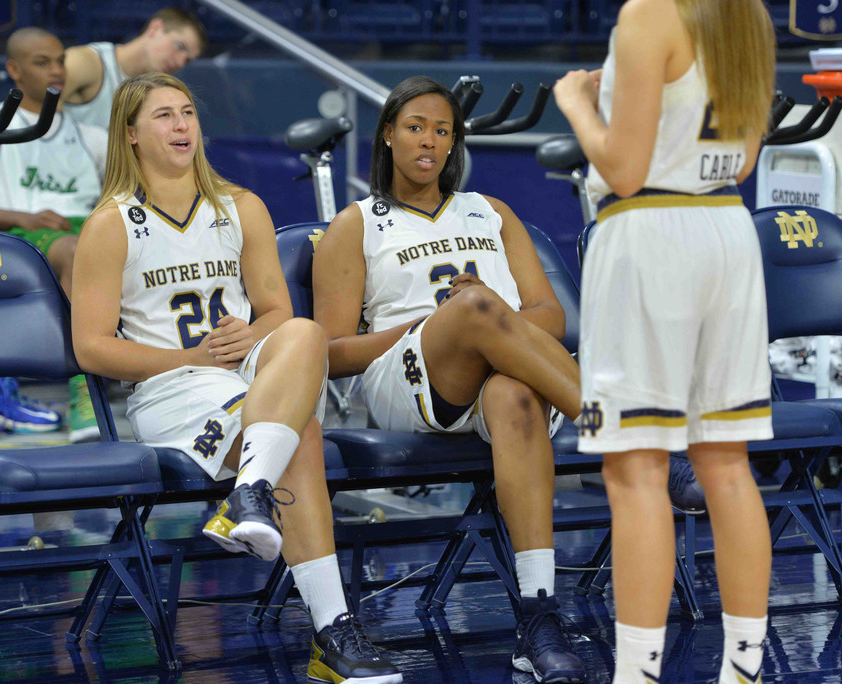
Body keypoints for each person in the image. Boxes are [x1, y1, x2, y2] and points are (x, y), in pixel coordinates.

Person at [70, 72, 402, 684]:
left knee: (301, 332)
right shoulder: (111, 225)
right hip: (170, 389)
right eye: (164, 115)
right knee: (299, 432)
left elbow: (275, 307)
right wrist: (189, 358)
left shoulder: (241, 206)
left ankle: (248, 493)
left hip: (247, 372)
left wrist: (252, 334)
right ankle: (332, 633)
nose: (181, 125)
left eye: (188, 112)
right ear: (132, 135)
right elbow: (90, 348)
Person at [313, 76, 587, 683]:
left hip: (500, 374)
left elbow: (550, 316)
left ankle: (538, 617)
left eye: (443, 130)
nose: (429, 141)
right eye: (415, 127)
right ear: (387, 134)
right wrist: (439, 323)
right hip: (404, 380)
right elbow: (330, 352)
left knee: (515, 391)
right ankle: (611, 426)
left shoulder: (491, 212)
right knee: (471, 309)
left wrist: (487, 317)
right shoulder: (356, 224)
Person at [553, 1, 776, 682]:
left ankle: (637, 675)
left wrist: (576, 105)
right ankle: (743, 672)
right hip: (726, 231)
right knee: (727, 465)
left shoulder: (650, 12)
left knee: (636, 471)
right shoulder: (752, 16)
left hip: (650, 233)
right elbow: (742, 161)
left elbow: (621, 168)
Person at [0, 27, 103, 442]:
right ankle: (84, 393)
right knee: (77, 251)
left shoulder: (93, 138)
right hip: (17, 237)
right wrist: (28, 217)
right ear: (14, 70)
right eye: (42, 62)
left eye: (60, 60)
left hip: (83, 236)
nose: (56, 70)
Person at [62, 6, 205, 130]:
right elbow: (39, 116)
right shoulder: (85, 62)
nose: (180, 62)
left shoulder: (151, 95)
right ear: (155, 28)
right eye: (179, 46)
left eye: (187, 60)